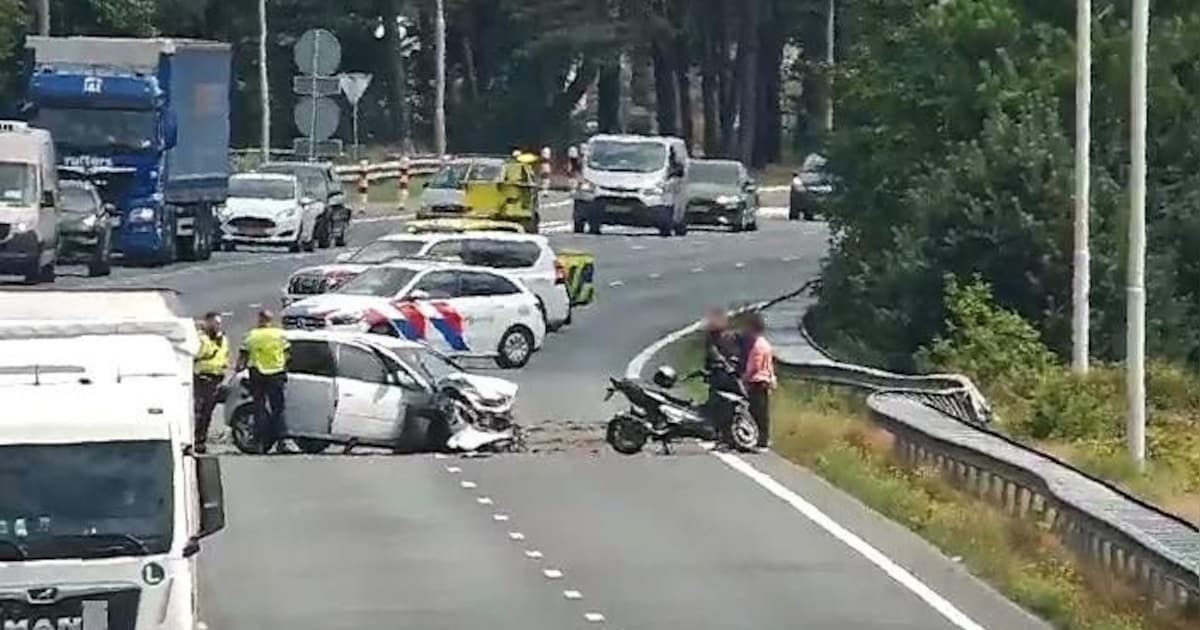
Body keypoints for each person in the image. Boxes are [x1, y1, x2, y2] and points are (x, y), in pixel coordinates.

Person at [237, 310, 291, 454]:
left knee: (259, 408)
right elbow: (288, 354)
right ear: (271, 320)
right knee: (278, 409)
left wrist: (238, 371)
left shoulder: (251, 335)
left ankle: (259, 443)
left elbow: (243, 357)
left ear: (260, 319)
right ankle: (281, 442)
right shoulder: (279, 334)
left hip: (257, 374)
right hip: (277, 374)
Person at [193, 312, 229, 453]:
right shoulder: (200, 338)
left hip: (216, 379)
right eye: (215, 323)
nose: (218, 326)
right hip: (202, 378)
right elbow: (197, 354)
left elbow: (225, 355)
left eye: (219, 323)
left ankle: (201, 441)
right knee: (198, 411)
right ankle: (194, 440)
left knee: (207, 413)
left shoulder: (222, 339)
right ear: (207, 323)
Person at [741, 313, 776, 449]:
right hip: (764, 381)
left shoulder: (756, 346)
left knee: (756, 413)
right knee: (762, 413)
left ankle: (759, 440)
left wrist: (745, 378)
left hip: (756, 381)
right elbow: (770, 365)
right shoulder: (765, 344)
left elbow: (754, 365)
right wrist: (772, 378)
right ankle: (763, 439)